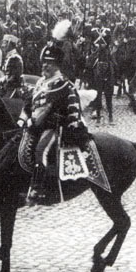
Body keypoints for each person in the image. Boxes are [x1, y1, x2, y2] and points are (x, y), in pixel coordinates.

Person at [18, 43, 90, 201]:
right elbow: (29, 103)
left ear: (57, 65)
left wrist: (69, 124)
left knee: (40, 150)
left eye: (49, 62)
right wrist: (22, 119)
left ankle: (38, 189)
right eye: (44, 61)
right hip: (34, 125)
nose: (44, 65)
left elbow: (73, 110)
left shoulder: (64, 84)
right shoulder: (40, 82)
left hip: (55, 127)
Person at [0, 34, 29, 99]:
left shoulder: (15, 57)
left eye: (5, 43)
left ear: (10, 44)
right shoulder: (8, 56)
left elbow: (14, 77)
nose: (3, 45)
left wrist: (4, 85)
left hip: (12, 89)